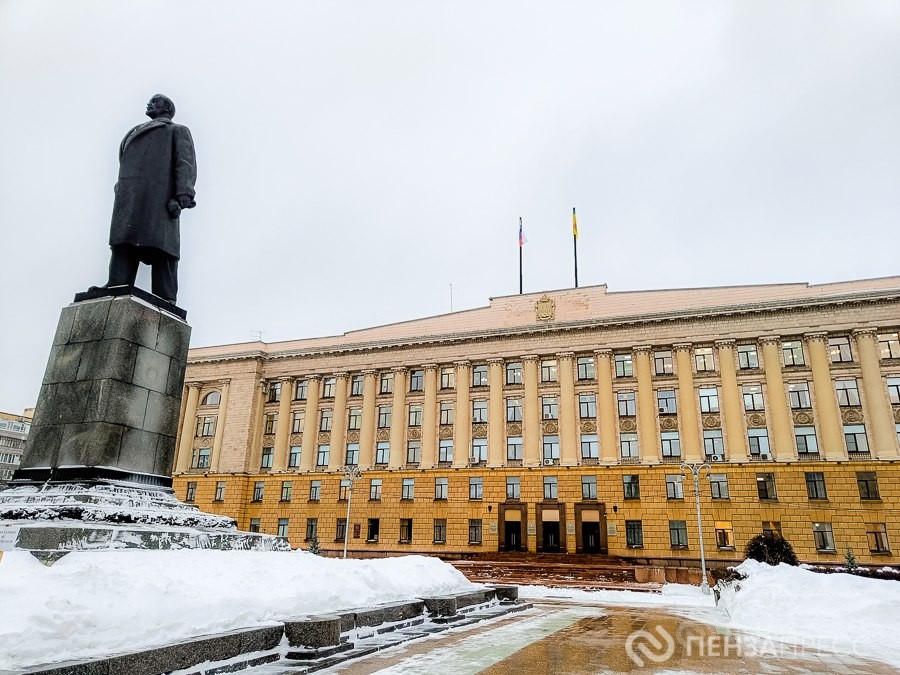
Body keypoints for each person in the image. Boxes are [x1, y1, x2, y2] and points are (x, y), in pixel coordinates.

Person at [102, 94, 196, 304]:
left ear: (167, 108)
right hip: (130, 196)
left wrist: (183, 194)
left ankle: (165, 296)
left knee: (163, 246)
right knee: (124, 240)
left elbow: (185, 162)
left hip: (159, 197)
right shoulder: (133, 132)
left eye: (156, 100)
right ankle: (116, 283)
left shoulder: (176, 130)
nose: (150, 103)